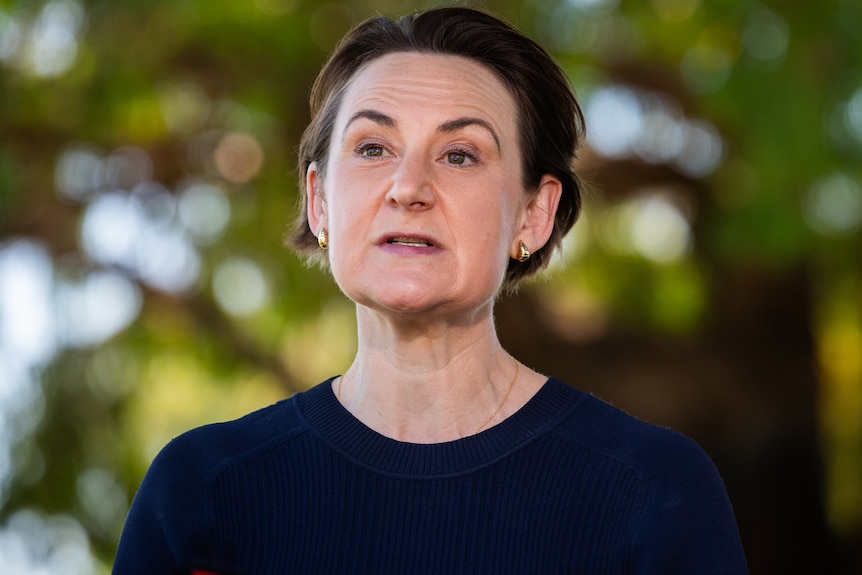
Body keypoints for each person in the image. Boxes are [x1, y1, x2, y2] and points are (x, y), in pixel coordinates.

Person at [113, 6, 748, 574]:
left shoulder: (651, 491)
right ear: (319, 201)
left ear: (534, 213)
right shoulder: (202, 494)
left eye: (460, 155)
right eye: (372, 148)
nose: (407, 186)